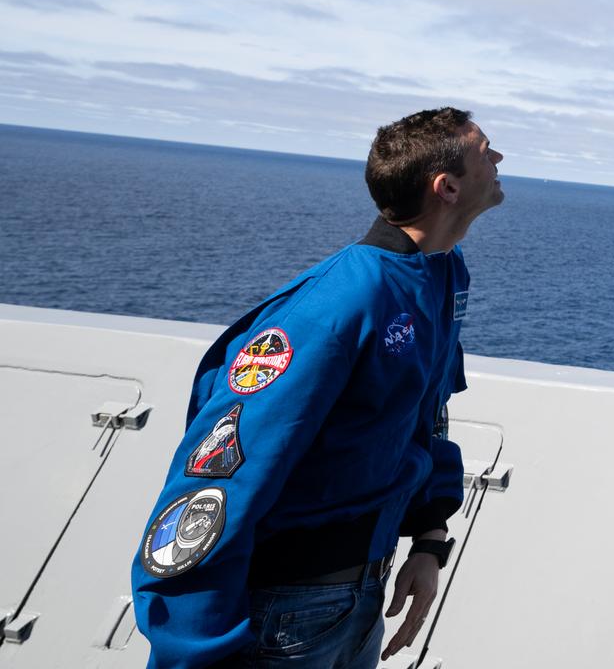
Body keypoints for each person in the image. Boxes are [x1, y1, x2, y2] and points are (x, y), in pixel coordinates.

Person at [132, 108, 505, 669]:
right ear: (446, 187)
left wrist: (429, 537)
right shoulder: (336, 305)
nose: (498, 160)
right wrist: (191, 648)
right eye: (485, 151)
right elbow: (218, 474)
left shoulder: (441, 275)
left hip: (359, 600)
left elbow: (427, 412)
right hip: (284, 612)